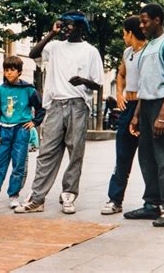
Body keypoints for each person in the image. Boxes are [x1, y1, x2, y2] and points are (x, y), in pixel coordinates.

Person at [15, 11, 104, 215]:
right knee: (46, 153)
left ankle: (69, 195)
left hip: (78, 105)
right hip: (55, 105)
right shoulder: (54, 47)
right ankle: (37, 198)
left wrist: (82, 80)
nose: (65, 28)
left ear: (81, 27)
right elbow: (33, 54)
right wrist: (51, 33)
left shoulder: (90, 51)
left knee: (75, 153)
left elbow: (97, 84)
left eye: (69, 25)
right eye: (63, 24)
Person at [126, 4, 164, 227]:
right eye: (140, 22)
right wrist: (136, 115)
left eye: (145, 21)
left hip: (163, 104)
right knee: (148, 156)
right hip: (147, 105)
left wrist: (163, 116)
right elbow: (144, 84)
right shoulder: (149, 45)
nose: (141, 25)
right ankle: (152, 204)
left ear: (158, 20)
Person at [0, 56, 45, 209]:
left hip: (21, 130)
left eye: (12, 70)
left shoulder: (28, 89)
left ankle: (14, 196)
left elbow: (41, 108)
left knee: (18, 165)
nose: (9, 73)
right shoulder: (1, 90)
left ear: (19, 72)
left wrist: (34, 122)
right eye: (6, 70)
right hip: (3, 130)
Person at [101, 16, 146, 215]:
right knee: (122, 157)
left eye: (123, 32)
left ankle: (154, 202)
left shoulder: (148, 52)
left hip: (145, 107)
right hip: (128, 106)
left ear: (130, 32)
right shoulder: (127, 52)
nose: (122, 36)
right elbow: (121, 74)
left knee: (149, 157)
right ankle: (115, 199)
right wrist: (119, 93)